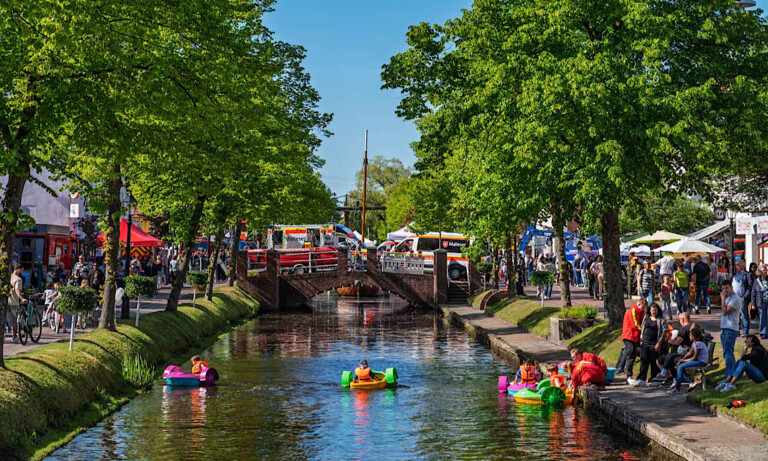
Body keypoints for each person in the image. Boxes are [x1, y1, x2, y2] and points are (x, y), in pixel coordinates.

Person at [633, 302, 668, 387]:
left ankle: (655, 378)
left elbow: (664, 332)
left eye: (655, 310)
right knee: (644, 361)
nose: (654, 312)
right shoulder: (646, 317)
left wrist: (659, 343)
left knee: (654, 362)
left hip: (654, 343)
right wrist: (641, 339)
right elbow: (643, 328)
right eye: (652, 310)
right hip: (645, 342)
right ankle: (642, 379)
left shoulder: (661, 319)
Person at [653, 313, 694, 383]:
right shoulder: (693, 327)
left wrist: (667, 339)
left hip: (686, 354)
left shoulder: (684, 329)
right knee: (669, 357)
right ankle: (672, 377)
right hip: (689, 352)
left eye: (679, 320)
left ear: (682, 319)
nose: (679, 322)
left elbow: (677, 342)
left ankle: (669, 376)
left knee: (669, 358)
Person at [668, 328, 709, 394]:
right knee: (679, 365)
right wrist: (682, 359)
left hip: (701, 362)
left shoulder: (699, 344)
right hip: (698, 360)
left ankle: (677, 388)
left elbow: (694, 358)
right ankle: (690, 382)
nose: (689, 336)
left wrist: (683, 360)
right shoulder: (694, 343)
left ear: (694, 336)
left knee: (680, 367)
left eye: (690, 335)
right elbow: (689, 353)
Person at [720, 281, 741, 386]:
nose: (725, 290)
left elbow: (725, 312)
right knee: (726, 354)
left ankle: (728, 377)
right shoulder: (728, 298)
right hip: (724, 328)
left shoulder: (735, 299)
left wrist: (723, 299)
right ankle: (729, 376)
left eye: (727, 288)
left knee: (728, 354)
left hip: (730, 329)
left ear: (731, 287)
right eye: (723, 288)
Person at [619, 297, 646, 381]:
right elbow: (635, 324)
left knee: (630, 353)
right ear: (638, 304)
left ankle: (621, 368)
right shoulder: (632, 311)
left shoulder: (642, 312)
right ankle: (628, 373)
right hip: (629, 335)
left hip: (635, 335)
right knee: (630, 353)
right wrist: (643, 330)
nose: (644, 309)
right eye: (643, 307)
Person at [733, 260, 753, 336]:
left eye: (737, 265)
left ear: (742, 266)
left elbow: (750, 287)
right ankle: (737, 330)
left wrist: (744, 296)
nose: (736, 267)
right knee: (736, 315)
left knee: (744, 315)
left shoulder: (747, 275)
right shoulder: (735, 275)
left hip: (742, 298)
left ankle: (745, 331)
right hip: (734, 297)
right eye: (735, 265)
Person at [7, 266, 26, 344]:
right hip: (13, 301)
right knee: (15, 320)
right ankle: (14, 336)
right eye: (22, 270)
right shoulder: (18, 279)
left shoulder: (8, 277)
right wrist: (22, 298)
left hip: (6, 300)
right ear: (18, 269)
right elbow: (17, 290)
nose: (22, 272)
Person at [751, 264, 768, 339]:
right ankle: (763, 332)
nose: (766, 271)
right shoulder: (757, 281)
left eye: (766, 270)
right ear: (760, 272)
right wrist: (753, 303)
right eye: (764, 270)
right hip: (761, 302)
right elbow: (753, 292)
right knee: (763, 317)